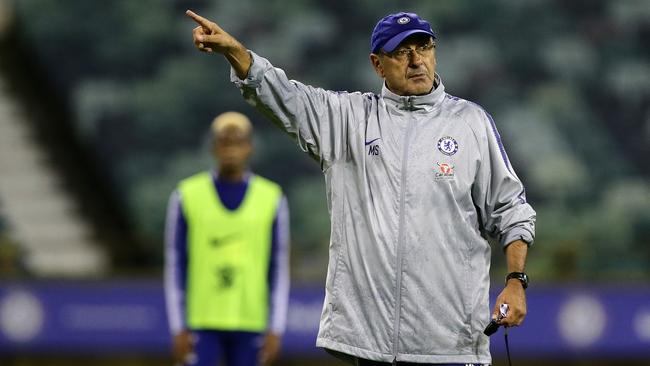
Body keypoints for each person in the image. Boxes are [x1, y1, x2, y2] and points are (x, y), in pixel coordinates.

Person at [186, 9, 536, 366]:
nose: (416, 60)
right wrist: (234, 51)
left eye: (424, 47)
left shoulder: (470, 123)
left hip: (452, 341)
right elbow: (282, 96)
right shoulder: (347, 119)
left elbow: (511, 210)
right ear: (377, 64)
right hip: (370, 344)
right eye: (402, 51)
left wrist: (515, 280)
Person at [164, 111, 290, 366]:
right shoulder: (186, 195)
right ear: (213, 147)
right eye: (224, 141)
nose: (230, 149)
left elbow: (278, 268)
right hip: (201, 321)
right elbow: (175, 264)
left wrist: (275, 327)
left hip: (250, 321)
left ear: (250, 147)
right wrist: (178, 326)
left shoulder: (272, 198)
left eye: (238, 142)